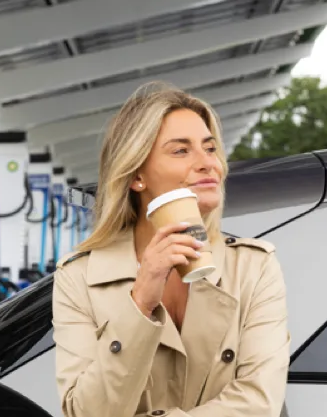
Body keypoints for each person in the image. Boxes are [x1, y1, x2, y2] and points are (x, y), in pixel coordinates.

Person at [52, 81, 290, 417]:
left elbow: (258, 403)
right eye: (181, 150)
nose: (208, 163)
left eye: (210, 148)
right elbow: (86, 412)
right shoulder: (79, 277)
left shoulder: (253, 267)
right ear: (137, 176)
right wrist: (140, 303)